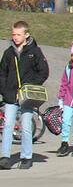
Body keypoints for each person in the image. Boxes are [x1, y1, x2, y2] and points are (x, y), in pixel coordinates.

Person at [0, 21, 49, 170]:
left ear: (26, 35)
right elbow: (2, 74)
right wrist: (5, 91)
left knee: (26, 126)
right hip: (11, 96)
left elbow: (44, 72)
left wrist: (30, 87)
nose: (15, 37)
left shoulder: (35, 52)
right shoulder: (9, 53)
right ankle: (5, 157)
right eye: (13, 34)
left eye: (18, 34)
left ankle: (26, 157)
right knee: (8, 125)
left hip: (27, 98)